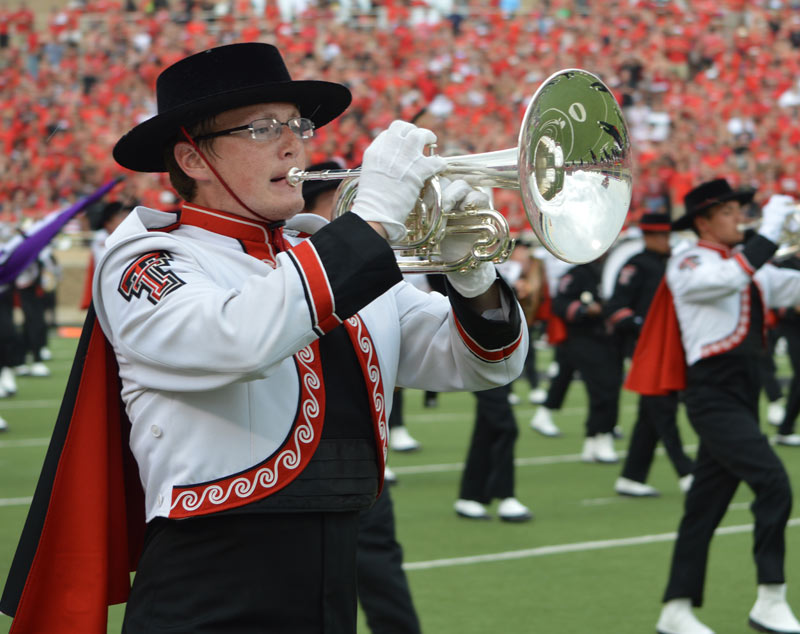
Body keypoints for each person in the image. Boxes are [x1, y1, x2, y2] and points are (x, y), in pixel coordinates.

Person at [0, 43, 527, 634]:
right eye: (261, 128)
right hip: (207, 591)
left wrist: (471, 272)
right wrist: (373, 218)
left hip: (333, 577)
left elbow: (480, 363)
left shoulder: (322, 257)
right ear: (193, 159)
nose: (293, 142)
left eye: (297, 125)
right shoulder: (147, 259)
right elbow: (238, 339)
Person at [626, 179, 800, 634]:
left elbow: (786, 287)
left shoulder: (743, 263)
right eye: (728, 212)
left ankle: (675, 611)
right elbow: (726, 279)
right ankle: (770, 597)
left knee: (703, 509)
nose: (738, 218)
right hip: (712, 394)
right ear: (703, 221)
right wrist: (771, 231)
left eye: (739, 211)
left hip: (743, 395)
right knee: (774, 484)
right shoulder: (689, 260)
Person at [302, 159, 422, 634]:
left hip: (362, 463)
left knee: (383, 578)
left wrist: (473, 278)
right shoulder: (285, 270)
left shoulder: (380, 271)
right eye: (346, 204)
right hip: (292, 472)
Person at [606, 212, 694, 497]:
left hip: (669, 347)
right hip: (645, 348)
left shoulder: (670, 263)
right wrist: (641, 326)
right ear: (648, 236)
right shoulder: (637, 266)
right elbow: (616, 307)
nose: (666, 240)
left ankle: (632, 477)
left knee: (651, 414)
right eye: (661, 236)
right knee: (663, 408)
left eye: (668, 235)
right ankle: (686, 471)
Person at [551, 257, 623, 463]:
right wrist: (583, 310)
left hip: (611, 339)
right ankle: (602, 436)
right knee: (602, 390)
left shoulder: (614, 268)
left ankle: (593, 441)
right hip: (585, 339)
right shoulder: (578, 273)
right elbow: (560, 303)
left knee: (609, 389)